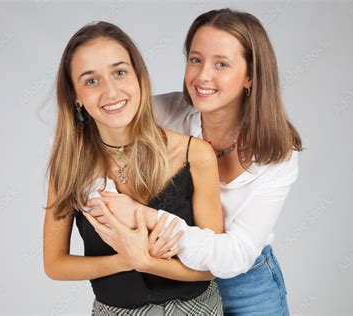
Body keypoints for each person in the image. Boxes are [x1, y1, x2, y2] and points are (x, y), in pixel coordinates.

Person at [86, 8, 303, 315]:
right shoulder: (162, 114)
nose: (203, 76)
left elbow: (236, 255)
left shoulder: (279, 155)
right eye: (195, 59)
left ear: (251, 76)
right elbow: (93, 139)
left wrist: (146, 218)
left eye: (222, 64)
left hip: (247, 285)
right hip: (179, 282)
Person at [42, 21, 225, 315]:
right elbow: (55, 264)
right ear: (75, 95)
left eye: (119, 72)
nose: (111, 91)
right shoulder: (69, 165)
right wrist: (126, 259)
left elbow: (213, 267)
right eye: (91, 81)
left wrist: (147, 261)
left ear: (138, 76)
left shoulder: (195, 154)